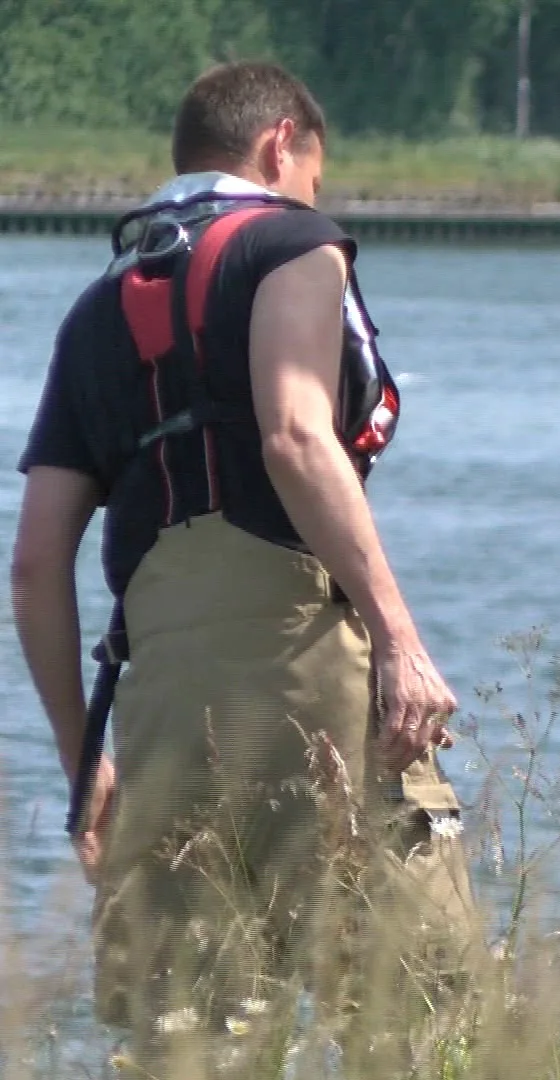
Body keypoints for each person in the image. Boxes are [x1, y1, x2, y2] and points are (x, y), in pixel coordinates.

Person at [9, 61, 478, 1071]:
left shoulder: (98, 310)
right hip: (308, 667)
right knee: (418, 1017)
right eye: (316, 174)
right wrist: (399, 639)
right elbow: (298, 439)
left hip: (162, 703)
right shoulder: (292, 244)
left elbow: (36, 564)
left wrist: (88, 762)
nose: (318, 199)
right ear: (280, 147)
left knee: (195, 1042)